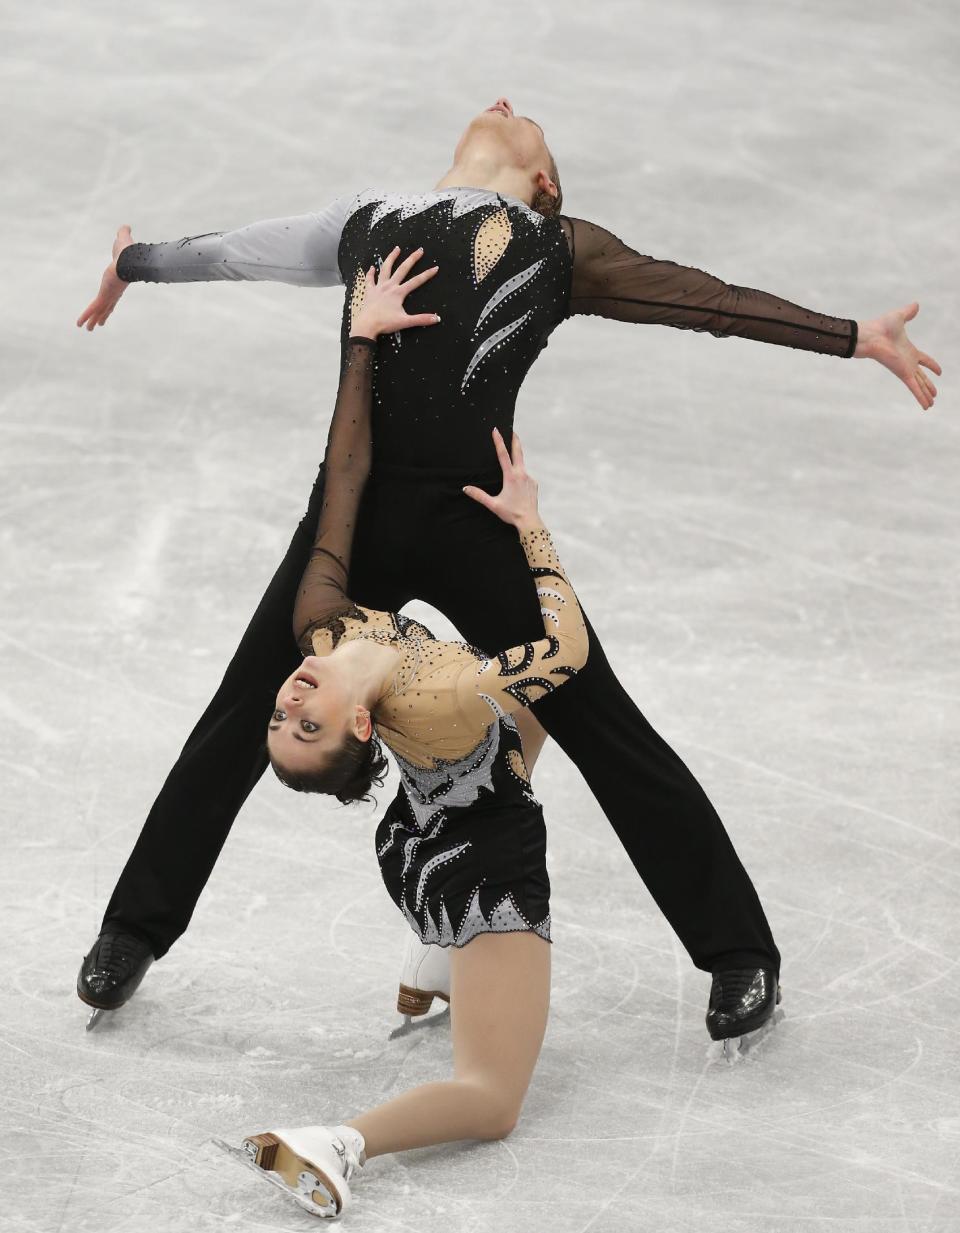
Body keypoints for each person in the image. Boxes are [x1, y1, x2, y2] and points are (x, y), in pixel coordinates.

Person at [75, 97, 940, 1048]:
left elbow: (709, 303)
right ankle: (133, 928)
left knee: (601, 719)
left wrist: (854, 334)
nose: (509, 109)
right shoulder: (363, 217)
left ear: (545, 179)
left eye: (533, 126)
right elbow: (238, 251)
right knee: (245, 703)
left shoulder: (561, 246)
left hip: (475, 517)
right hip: (350, 513)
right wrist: (133, 263)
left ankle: (737, 949)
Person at [216, 248, 584, 1220]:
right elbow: (570, 652)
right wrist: (531, 529)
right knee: (493, 1100)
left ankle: (436, 955)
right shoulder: (445, 685)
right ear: (361, 725)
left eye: (279, 718)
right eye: (306, 725)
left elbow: (342, 474)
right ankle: (340, 1143)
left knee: (514, 733)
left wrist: (361, 342)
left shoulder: (324, 623)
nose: (288, 700)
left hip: (411, 842)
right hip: (480, 867)